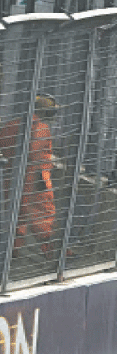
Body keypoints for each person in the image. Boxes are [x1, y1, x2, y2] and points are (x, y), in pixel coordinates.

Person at [0, 94, 58, 259]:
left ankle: (12, 253)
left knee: (15, 215)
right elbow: (35, 154)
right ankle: (51, 252)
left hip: (11, 175)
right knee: (43, 214)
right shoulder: (39, 128)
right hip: (35, 177)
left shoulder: (12, 125)